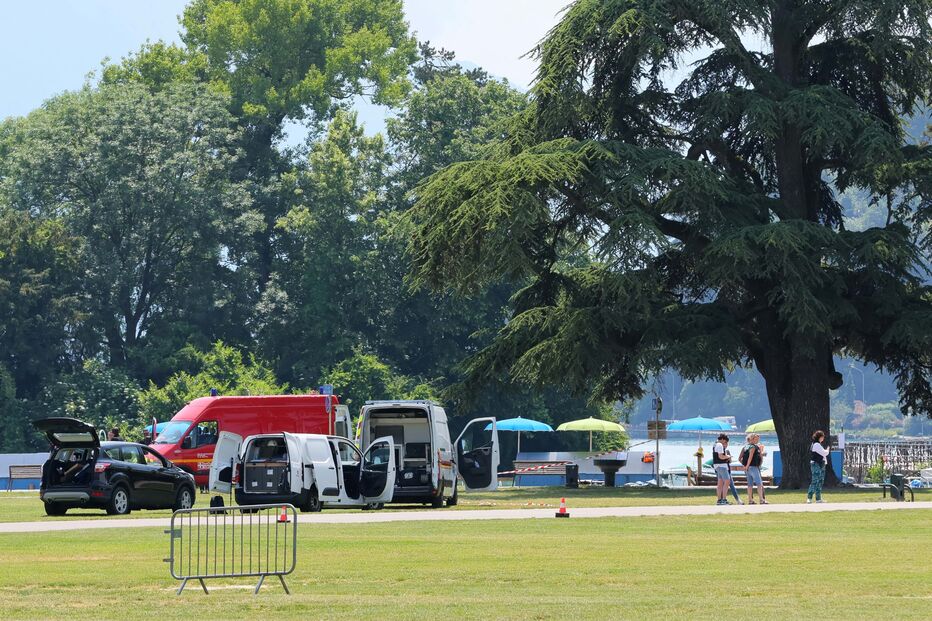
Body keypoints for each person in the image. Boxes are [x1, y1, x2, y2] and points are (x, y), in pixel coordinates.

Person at [742, 433, 766, 504]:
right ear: (752, 439)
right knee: (759, 484)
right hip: (753, 467)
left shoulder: (745, 447)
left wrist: (745, 466)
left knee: (750, 485)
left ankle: (750, 500)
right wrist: (747, 465)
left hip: (748, 468)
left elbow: (740, 458)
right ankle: (761, 499)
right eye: (756, 439)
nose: (758, 440)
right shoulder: (753, 447)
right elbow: (750, 457)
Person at [807, 430, 830, 503]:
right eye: (822, 437)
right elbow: (824, 453)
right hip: (816, 464)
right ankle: (809, 498)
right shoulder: (816, 444)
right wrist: (827, 450)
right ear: (819, 437)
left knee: (820, 481)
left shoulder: (818, 444)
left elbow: (822, 454)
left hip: (821, 464)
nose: (823, 438)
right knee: (815, 480)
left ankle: (818, 498)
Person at [712, 433, 732, 505]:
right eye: (725, 441)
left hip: (717, 466)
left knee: (720, 483)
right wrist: (728, 456)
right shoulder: (720, 445)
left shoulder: (715, 444)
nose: (725, 443)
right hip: (722, 465)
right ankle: (724, 499)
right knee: (727, 481)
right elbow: (721, 456)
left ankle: (719, 500)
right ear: (723, 439)